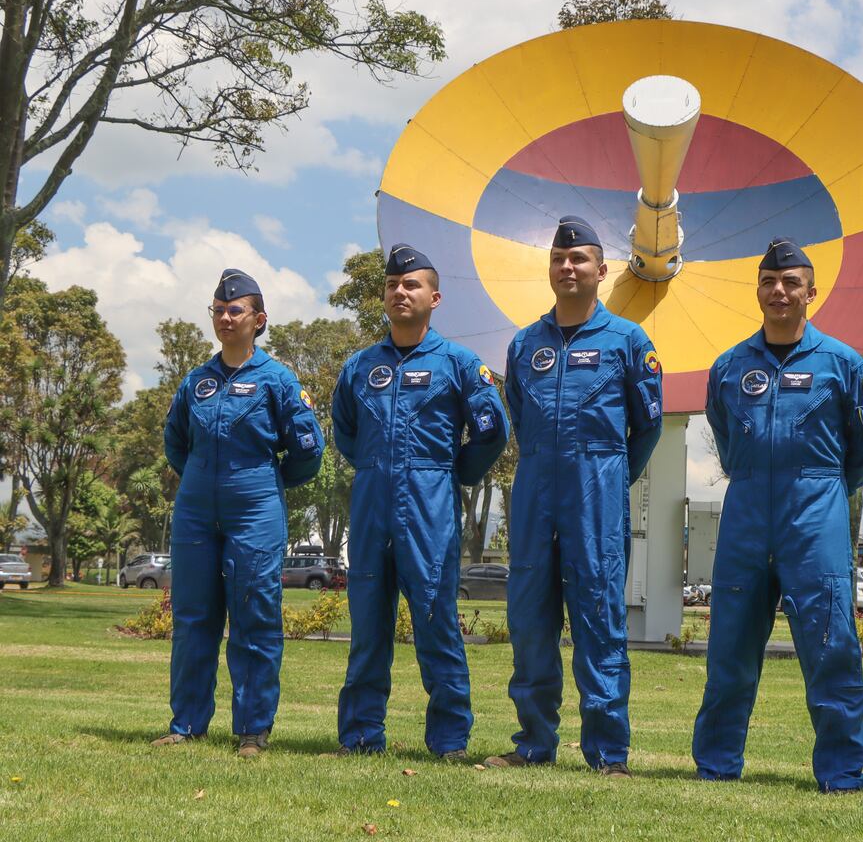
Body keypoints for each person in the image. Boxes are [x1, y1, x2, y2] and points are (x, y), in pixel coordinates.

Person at [691, 237, 863, 792]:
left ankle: (841, 771)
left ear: (811, 292)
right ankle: (716, 764)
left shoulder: (843, 365)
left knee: (831, 647)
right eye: (769, 282)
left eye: (791, 282)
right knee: (730, 647)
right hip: (746, 510)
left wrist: (826, 488)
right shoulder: (729, 367)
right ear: (758, 290)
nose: (779, 291)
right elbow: (725, 438)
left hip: (816, 511)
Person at [485, 215, 663, 776]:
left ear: (601, 271)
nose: (567, 266)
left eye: (579, 258)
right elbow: (520, 415)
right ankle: (533, 743)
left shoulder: (628, 341)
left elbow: (647, 427)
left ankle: (608, 753)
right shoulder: (525, 344)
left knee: (599, 620)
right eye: (559, 259)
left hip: (598, 491)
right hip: (536, 489)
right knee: (530, 621)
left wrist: (608, 476)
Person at [330, 244, 509, 757]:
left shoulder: (458, 364)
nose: (399, 292)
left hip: (429, 504)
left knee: (435, 622)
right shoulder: (360, 366)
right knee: (368, 627)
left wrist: (453, 473)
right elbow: (345, 431)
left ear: (435, 298)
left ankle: (449, 739)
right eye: (392, 285)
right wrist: (374, 467)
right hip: (371, 504)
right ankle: (360, 736)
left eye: (411, 285)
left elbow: (492, 430)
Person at [156, 268, 325, 757]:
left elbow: (308, 451)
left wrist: (265, 483)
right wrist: (203, 479)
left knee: (254, 616)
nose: (225, 318)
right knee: (192, 618)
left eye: (235, 310)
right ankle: (187, 724)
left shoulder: (278, 380)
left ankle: (252, 729)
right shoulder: (196, 381)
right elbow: (175, 443)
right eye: (218, 310)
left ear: (259, 320)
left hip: (255, 510)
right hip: (194, 512)